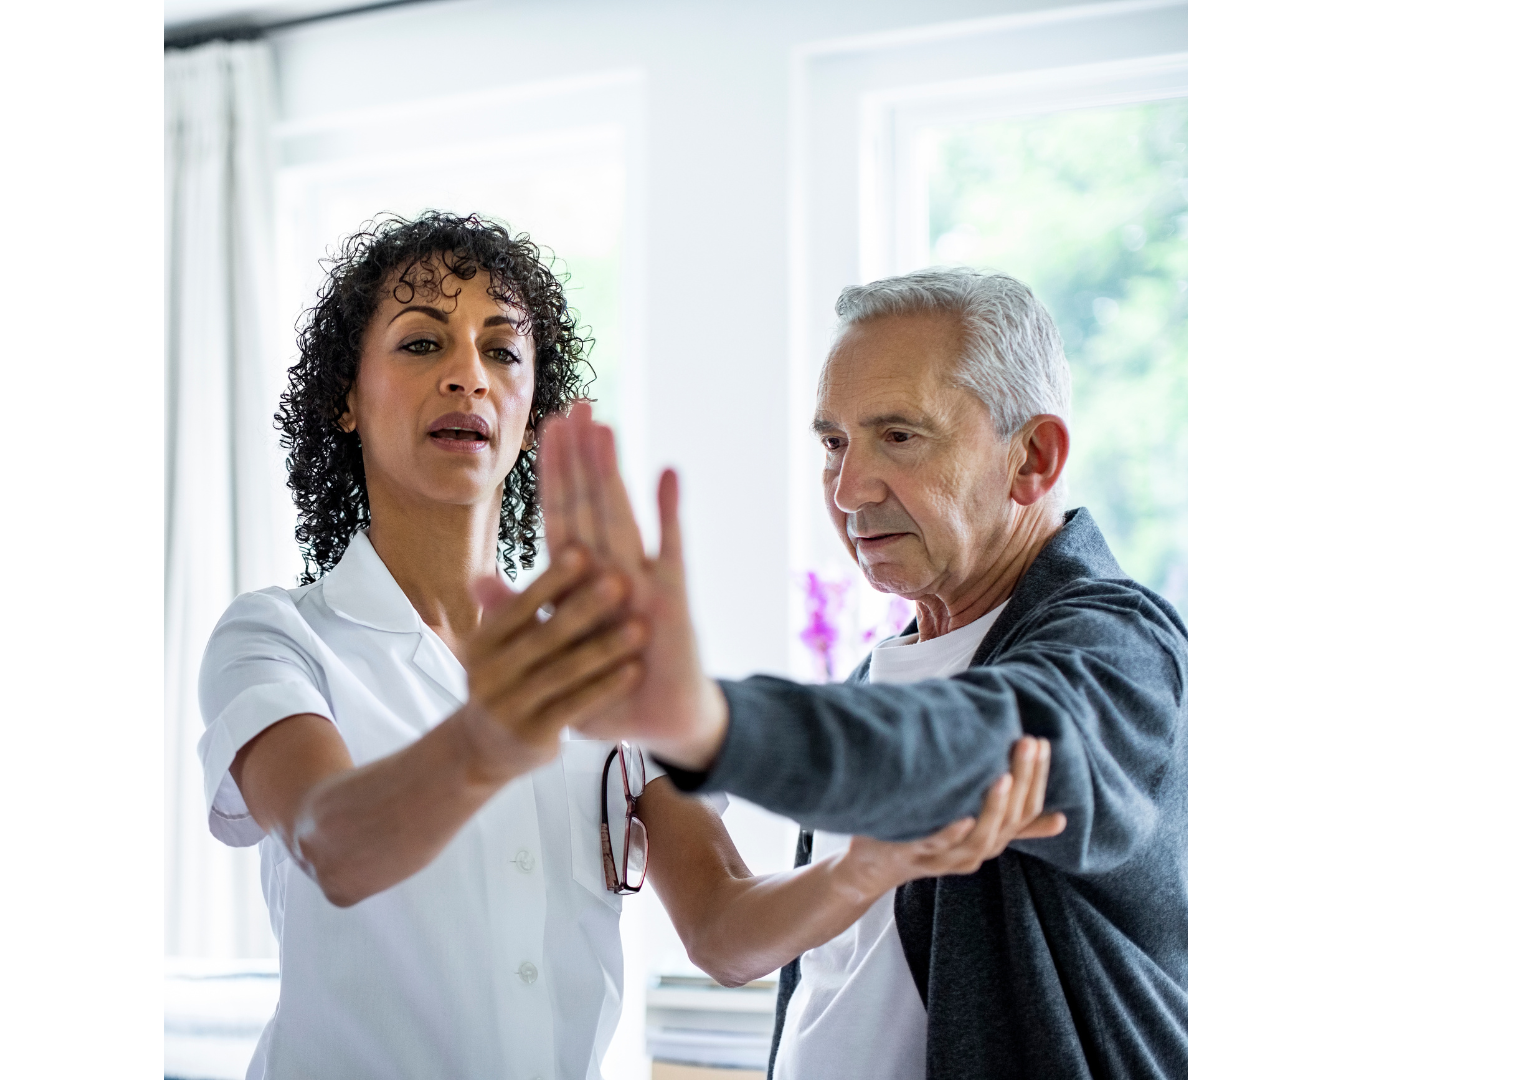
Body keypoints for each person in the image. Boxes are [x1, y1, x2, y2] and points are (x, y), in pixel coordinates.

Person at [195, 213, 1058, 1080]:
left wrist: (871, 867)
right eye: (423, 345)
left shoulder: (605, 660)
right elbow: (331, 844)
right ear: (344, 396)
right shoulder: (277, 638)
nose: (468, 376)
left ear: (534, 409)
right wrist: (489, 742)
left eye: (502, 352)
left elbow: (723, 930)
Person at [546, 266, 1189, 1080]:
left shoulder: (1119, 648)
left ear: (1032, 457)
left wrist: (710, 723)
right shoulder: (875, 677)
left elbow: (971, 741)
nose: (849, 490)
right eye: (833, 444)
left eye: (900, 437)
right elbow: (765, 955)